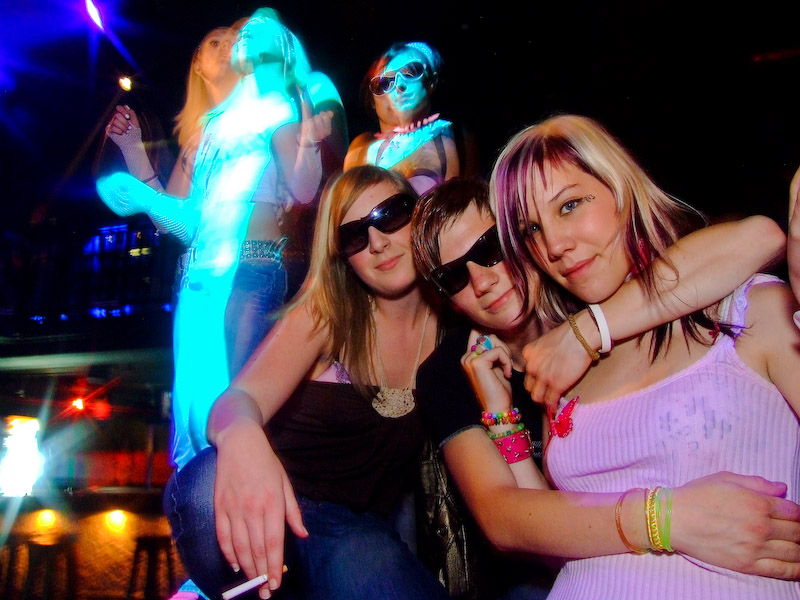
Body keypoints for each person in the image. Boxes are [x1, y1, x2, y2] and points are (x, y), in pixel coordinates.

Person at [411, 178, 800, 598]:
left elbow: (760, 238)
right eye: (453, 276)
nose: (482, 281)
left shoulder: (595, 293)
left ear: (523, 239)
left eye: (490, 248)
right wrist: (501, 415)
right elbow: (506, 519)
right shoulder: (450, 372)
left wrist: (587, 329)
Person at [165, 165, 449, 600]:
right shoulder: (327, 314)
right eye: (354, 236)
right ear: (342, 256)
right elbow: (237, 400)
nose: (377, 242)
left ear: (419, 216)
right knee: (206, 485)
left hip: (356, 531)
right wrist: (243, 434)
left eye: (390, 215)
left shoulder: (451, 323)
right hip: (274, 499)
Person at [96, 9, 344, 473]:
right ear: (196, 63)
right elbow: (176, 223)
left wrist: (308, 142)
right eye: (216, 40)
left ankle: (236, 497)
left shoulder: (275, 105)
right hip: (196, 275)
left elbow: (304, 188)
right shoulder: (206, 132)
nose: (230, 43)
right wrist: (133, 152)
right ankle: (197, 502)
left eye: (236, 37)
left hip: (249, 267)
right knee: (192, 416)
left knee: (231, 411)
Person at [344, 42, 461, 195]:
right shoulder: (361, 147)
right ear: (372, 99)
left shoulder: (449, 136)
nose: (399, 85)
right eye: (385, 82)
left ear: (431, 81)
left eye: (411, 73)